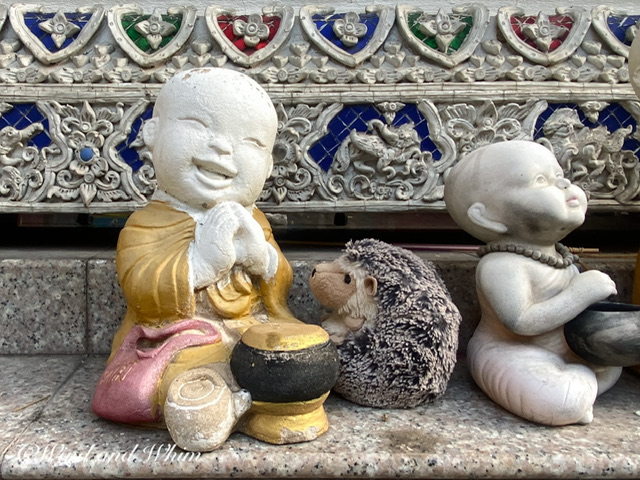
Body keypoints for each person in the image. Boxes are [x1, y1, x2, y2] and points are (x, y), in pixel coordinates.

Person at [93, 68, 301, 449]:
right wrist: (202, 263)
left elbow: (280, 285)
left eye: (250, 142)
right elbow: (142, 290)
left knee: (294, 351)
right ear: (153, 135)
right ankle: (216, 408)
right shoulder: (147, 224)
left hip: (249, 330)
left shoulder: (254, 221)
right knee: (184, 375)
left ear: (269, 167)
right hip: (181, 338)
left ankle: (261, 406)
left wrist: (263, 260)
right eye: (199, 124)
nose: (223, 148)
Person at [444, 140, 622, 425]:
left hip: (564, 351)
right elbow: (521, 321)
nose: (564, 185)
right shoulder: (501, 265)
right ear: (488, 217)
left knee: (612, 362)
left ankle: (581, 391)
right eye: (541, 180)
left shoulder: (561, 258)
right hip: (510, 351)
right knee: (558, 401)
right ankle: (574, 398)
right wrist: (580, 294)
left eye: (560, 176)